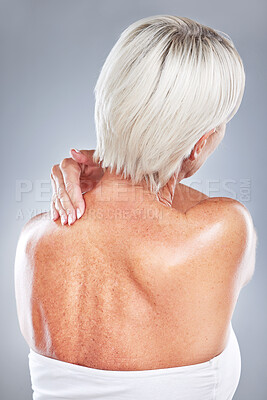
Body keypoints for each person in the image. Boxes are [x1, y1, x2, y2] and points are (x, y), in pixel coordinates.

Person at [15, 15, 257, 400]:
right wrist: (130, 168)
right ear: (199, 143)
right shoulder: (226, 228)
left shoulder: (33, 239)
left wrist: (112, 168)